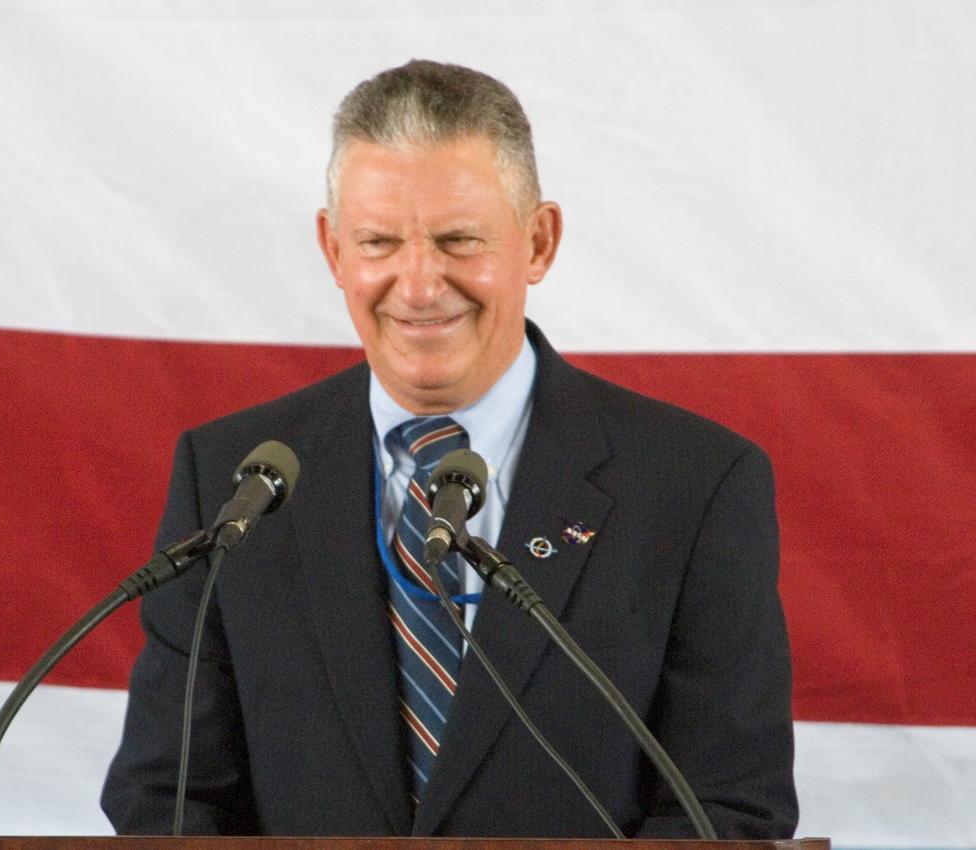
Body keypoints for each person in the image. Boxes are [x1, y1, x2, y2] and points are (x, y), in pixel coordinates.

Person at [101, 59, 798, 838]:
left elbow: (727, 808)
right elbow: (168, 797)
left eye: (459, 240)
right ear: (334, 249)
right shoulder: (232, 480)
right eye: (379, 242)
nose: (420, 284)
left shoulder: (695, 484)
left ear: (537, 242)